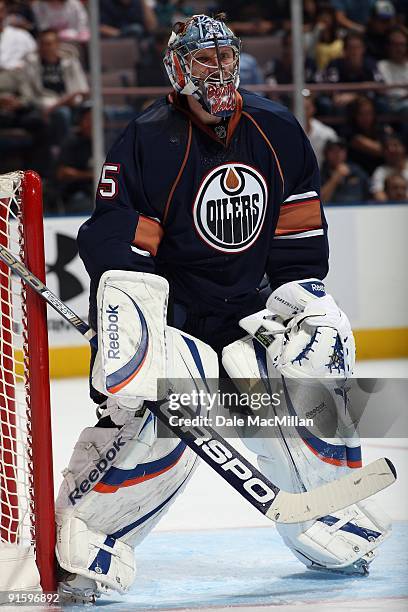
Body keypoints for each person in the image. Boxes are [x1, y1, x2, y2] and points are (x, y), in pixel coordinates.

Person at [54, 14, 391, 602]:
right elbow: (120, 246)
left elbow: (298, 241)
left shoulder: (277, 129)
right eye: (202, 59)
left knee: (316, 359)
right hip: (175, 321)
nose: (217, 70)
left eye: (224, 57)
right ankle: (88, 539)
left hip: (246, 319)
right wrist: (134, 328)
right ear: (177, 70)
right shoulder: (146, 140)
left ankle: (327, 519)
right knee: (158, 418)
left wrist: (297, 302)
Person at [23, 29, 89, 145]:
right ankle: (62, 154)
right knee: (62, 114)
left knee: (95, 111)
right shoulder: (31, 64)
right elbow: (28, 94)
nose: (46, 48)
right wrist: (47, 106)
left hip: (71, 104)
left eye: (49, 44)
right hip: (43, 106)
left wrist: (59, 104)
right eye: (43, 44)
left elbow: (82, 90)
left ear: (58, 44)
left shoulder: (70, 61)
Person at [54, 103, 93, 212]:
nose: (93, 124)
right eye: (89, 120)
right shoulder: (71, 142)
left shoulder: (107, 141)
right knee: (84, 202)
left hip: (102, 192)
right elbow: (63, 172)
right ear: (80, 121)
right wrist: (92, 175)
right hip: (75, 192)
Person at [377, 27, 408, 115]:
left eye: (402, 44)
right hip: (392, 105)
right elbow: (388, 92)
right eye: (395, 44)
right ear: (388, 46)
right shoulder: (381, 65)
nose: (399, 49)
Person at [303, 92, 339, 167]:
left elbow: (337, 159)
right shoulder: (285, 133)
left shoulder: (327, 134)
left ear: (313, 109)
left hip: (322, 175)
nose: (303, 112)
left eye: (306, 108)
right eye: (299, 108)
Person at [0, 0, 36, 69]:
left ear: (6, 13)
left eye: (1, 11)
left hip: (17, 76)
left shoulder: (23, 36)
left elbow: (34, 59)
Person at [370, 134, 408, 200]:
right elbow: (379, 196)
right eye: (387, 147)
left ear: (404, 148)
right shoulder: (380, 171)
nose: (391, 149)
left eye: (395, 145)